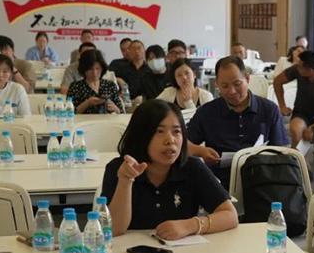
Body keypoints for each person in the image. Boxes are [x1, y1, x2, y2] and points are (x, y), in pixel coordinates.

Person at [102, 99, 238, 238]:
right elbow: (114, 229)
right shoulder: (119, 168)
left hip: (184, 250)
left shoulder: (192, 167)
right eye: (159, 131)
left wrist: (190, 226)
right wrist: (125, 181)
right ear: (141, 135)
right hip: (129, 250)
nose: (170, 140)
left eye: (176, 131)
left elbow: (230, 215)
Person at [187, 56, 288, 184]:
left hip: (262, 180)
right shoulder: (207, 112)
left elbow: (281, 152)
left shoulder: (269, 110)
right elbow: (182, 144)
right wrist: (200, 151)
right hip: (218, 181)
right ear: (217, 84)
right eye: (225, 86)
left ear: (247, 79)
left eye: (237, 84)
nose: (232, 91)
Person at [273, 50, 314, 148]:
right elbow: (277, 81)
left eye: (300, 66)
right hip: (302, 113)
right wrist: (282, 106)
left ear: (310, 70)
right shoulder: (297, 70)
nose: (297, 67)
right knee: (296, 129)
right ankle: (296, 155)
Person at [67, 50, 123, 114]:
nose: (94, 73)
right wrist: (87, 103)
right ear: (84, 69)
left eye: (97, 68)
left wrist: (115, 108)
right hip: (83, 120)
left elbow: (121, 112)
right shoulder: (75, 87)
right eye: (90, 69)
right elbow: (69, 112)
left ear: (102, 68)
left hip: (107, 119)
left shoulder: (110, 85)